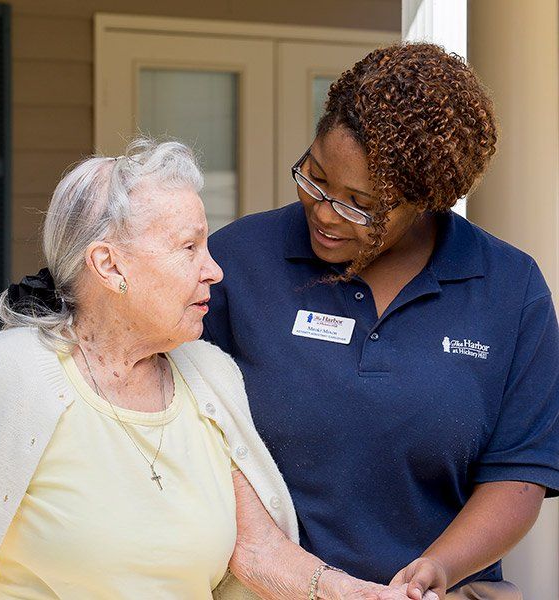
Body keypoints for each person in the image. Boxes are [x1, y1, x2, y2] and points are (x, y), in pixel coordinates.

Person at [0, 138, 430, 600]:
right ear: (109, 265)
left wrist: (358, 595)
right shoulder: (7, 373)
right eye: (189, 248)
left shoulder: (209, 373)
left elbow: (256, 547)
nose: (215, 270)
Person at [202, 43, 559, 600]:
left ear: (426, 200)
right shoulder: (237, 261)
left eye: (358, 203)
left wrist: (437, 567)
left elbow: (519, 473)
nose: (322, 211)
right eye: (314, 177)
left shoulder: (509, 290)